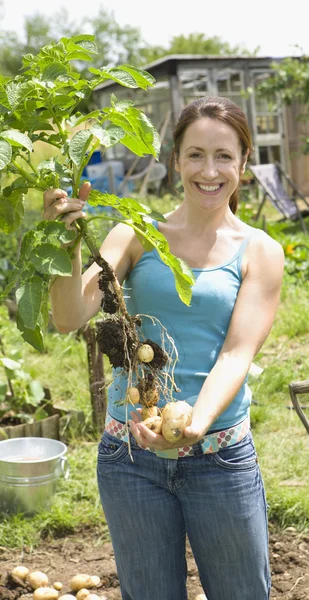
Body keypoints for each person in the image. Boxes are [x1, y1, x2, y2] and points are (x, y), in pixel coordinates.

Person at [43, 96, 285, 600]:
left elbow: (237, 354)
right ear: (175, 160)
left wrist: (195, 423)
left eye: (224, 156)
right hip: (130, 456)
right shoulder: (134, 233)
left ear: (243, 162)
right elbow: (68, 316)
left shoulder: (259, 250)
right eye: (195, 154)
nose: (209, 170)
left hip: (218, 454)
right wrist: (64, 243)